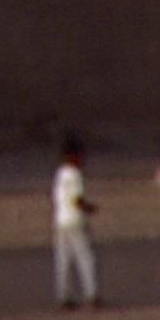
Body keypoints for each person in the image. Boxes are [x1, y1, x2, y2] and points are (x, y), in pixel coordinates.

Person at [52, 132, 100, 309]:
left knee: (63, 260)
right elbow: (76, 199)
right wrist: (90, 208)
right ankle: (91, 293)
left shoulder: (60, 174)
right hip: (75, 220)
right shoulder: (74, 174)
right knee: (85, 258)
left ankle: (63, 295)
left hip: (60, 220)